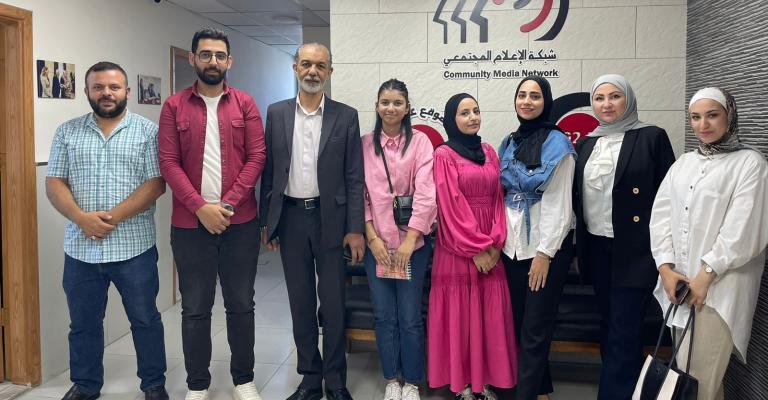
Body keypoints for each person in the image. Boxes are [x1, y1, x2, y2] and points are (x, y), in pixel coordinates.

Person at [45, 61, 168, 400]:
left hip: (134, 249)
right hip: (81, 250)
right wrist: (81, 218)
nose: (106, 93)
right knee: (83, 324)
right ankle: (86, 385)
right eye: (98, 87)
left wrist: (110, 219)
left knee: (145, 320)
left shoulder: (148, 132)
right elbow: (54, 182)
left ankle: (153, 384)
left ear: (127, 92)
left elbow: (156, 184)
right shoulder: (67, 132)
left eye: (114, 87)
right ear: (86, 91)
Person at [158, 28, 266, 400]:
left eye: (219, 55)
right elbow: (168, 162)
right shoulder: (173, 106)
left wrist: (227, 204)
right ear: (193, 58)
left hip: (240, 224)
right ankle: (197, 384)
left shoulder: (245, 104)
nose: (213, 61)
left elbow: (257, 157)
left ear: (229, 61)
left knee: (241, 305)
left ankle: (243, 379)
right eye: (205, 54)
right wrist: (200, 208)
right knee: (195, 308)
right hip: (190, 226)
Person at [259, 42, 364, 400]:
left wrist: (355, 228)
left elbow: (354, 176)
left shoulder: (345, 116)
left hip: (331, 219)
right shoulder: (276, 113)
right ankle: (309, 379)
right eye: (306, 64)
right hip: (290, 219)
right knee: (300, 303)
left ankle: (335, 381)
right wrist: (268, 222)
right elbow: (269, 171)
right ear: (295, 68)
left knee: (332, 304)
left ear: (330, 72)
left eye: (320, 65)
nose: (313, 71)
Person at [651, 87, 768, 400]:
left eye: (712, 115)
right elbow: (660, 217)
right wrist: (665, 269)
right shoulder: (684, 163)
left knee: (700, 381)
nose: (703, 124)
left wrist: (705, 275)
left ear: (729, 116)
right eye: (696, 117)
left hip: (719, 291)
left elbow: (743, 230)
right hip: (679, 286)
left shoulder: (750, 164)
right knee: (690, 381)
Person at [573, 74, 676, 400]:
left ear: (628, 99)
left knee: (623, 329)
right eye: (599, 98)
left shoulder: (651, 137)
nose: (607, 104)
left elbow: (669, 200)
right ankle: (628, 390)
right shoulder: (586, 144)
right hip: (597, 249)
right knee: (612, 326)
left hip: (636, 251)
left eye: (614, 96)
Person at [427, 93, 517, 400]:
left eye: (476, 111)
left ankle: (486, 381)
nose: (472, 117)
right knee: (461, 318)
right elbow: (449, 204)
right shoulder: (443, 155)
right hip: (458, 248)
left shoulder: (489, 151)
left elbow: (498, 199)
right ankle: (464, 384)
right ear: (452, 119)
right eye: (464, 113)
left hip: (491, 248)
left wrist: (495, 243)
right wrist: (477, 248)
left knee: (488, 317)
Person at [498, 76, 575, 400]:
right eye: (522, 95)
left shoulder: (559, 144)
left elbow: (560, 205)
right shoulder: (510, 142)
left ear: (546, 101)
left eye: (535, 96)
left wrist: (544, 254)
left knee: (535, 329)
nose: (527, 101)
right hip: (512, 249)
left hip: (544, 250)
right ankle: (540, 391)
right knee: (518, 324)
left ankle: (526, 394)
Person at [362, 79, 436, 400]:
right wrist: (372, 238)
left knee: (409, 317)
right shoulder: (364, 145)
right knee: (383, 316)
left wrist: (409, 240)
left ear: (407, 108)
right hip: (376, 246)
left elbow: (427, 194)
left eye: (397, 103)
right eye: (385, 102)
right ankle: (392, 378)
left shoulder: (420, 143)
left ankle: (412, 381)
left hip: (413, 248)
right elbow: (360, 194)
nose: (390, 108)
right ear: (377, 106)